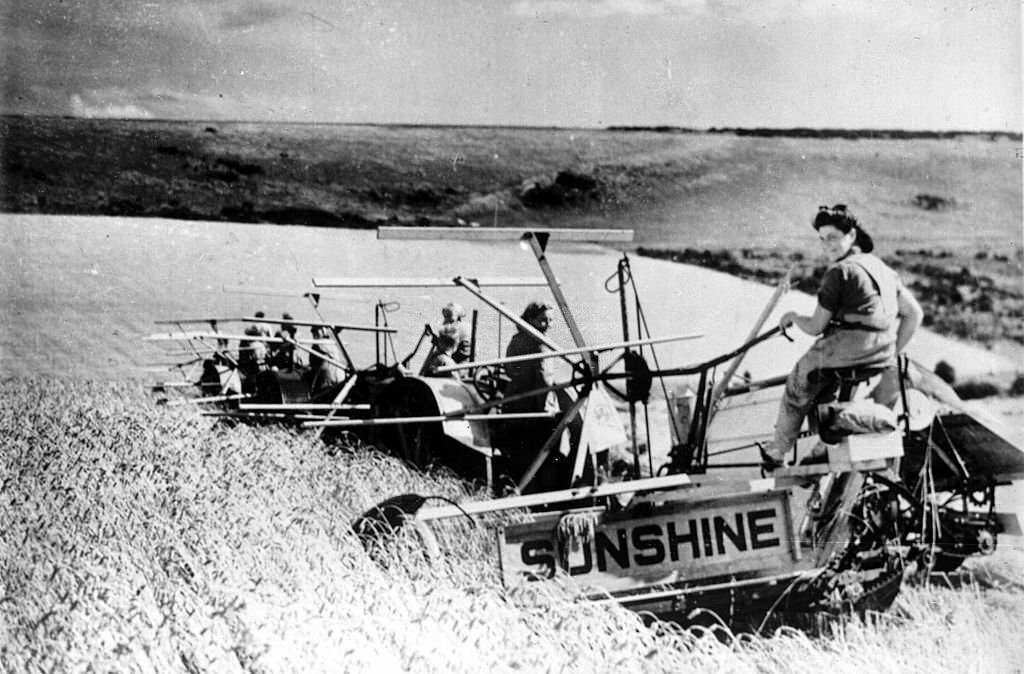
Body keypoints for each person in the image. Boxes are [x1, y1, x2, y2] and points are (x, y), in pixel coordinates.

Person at [762, 204, 923, 469]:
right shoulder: (882, 268)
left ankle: (777, 451)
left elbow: (815, 326)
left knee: (798, 382)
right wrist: (890, 351)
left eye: (834, 238)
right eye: (823, 239)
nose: (828, 245)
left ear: (851, 236)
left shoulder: (840, 272)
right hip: (879, 353)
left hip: (849, 348)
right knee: (826, 383)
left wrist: (791, 316)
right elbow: (914, 314)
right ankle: (823, 445)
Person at [500, 301, 565, 490]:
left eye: (551, 320)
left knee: (519, 454)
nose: (548, 325)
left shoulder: (516, 339)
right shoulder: (541, 345)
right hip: (535, 406)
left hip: (514, 404)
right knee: (543, 453)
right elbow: (545, 379)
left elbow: (509, 369)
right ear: (531, 319)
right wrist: (548, 412)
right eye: (543, 320)